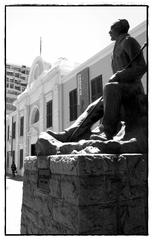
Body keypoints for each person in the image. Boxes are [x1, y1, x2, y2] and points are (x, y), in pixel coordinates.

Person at [37, 19, 147, 146]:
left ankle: (107, 132)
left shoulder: (129, 41)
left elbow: (141, 67)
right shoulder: (117, 46)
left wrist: (119, 75)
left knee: (110, 88)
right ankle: (71, 134)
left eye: (112, 28)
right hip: (119, 89)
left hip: (133, 90)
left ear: (119, 29)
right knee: (93, 106)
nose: (109, 32)